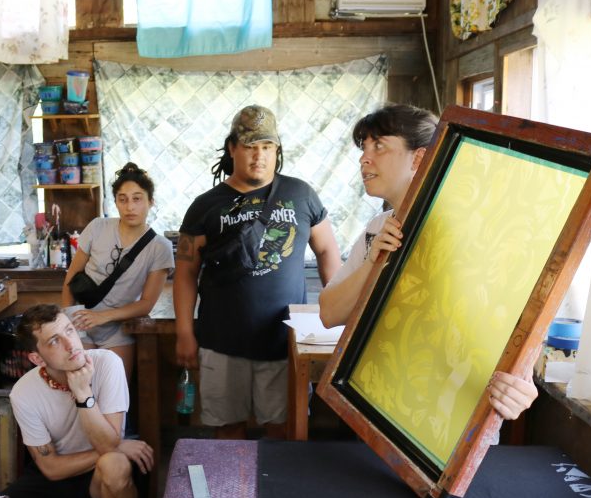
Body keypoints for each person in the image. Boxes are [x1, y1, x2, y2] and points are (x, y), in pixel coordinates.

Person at [318, 104, 537, 420]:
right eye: (364, 148)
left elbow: (515, 320)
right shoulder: (376, 229)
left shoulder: (476, 233)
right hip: (374, 408)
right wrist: (372, 263)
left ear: (418, 159)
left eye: (379, 146)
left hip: (448, 424)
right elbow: (329, 313)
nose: (364, 158)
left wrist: (523, 382)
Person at [174, 105, 341, 440]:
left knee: (282, 429)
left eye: (267, 147)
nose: (258, 156)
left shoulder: (301, 194)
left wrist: (337, 315)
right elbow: (185, 273)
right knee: (227, 431)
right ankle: (230, 493)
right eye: (250, 147)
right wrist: (184, 333)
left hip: (284, 343)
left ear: (277, 150)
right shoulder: (205, 205)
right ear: (232, 147)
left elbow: (327, 251)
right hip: (221, 343)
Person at [0, 304, 154, 498]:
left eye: (70, 331)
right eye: (54, 341)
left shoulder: (107, 363)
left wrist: (83, 395)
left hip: (98, 475)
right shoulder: (23, 392)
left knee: (114, 463)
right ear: (37, 358)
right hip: (57, 473)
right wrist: (117, 446)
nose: (71, 345)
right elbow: (50, 468)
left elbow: (108, 445)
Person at [61, 163, 174, 379]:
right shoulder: (97, 227)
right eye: (123, 199)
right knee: (78, 392)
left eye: (137, 198)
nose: (130, 206)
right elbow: (71, 277)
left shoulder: (160, 247)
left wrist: (102, 317)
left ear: (151, 202)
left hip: (118, 329)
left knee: (115, 396)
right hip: (79, 320)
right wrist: (68, 321)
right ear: (116, 202)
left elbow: (146, 304)